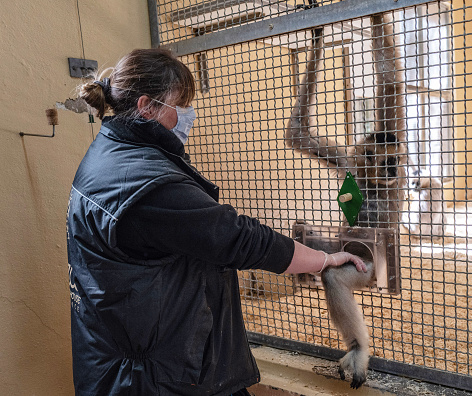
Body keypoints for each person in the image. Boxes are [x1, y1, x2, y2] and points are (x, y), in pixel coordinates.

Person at [67, 48, 366, 396]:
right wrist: (324, 259)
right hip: (155, 375)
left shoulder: (108, 152)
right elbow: (236, 237)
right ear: (146, 106)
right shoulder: (145, 183)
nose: (188, 115)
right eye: (180, 105)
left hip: (129, 354)